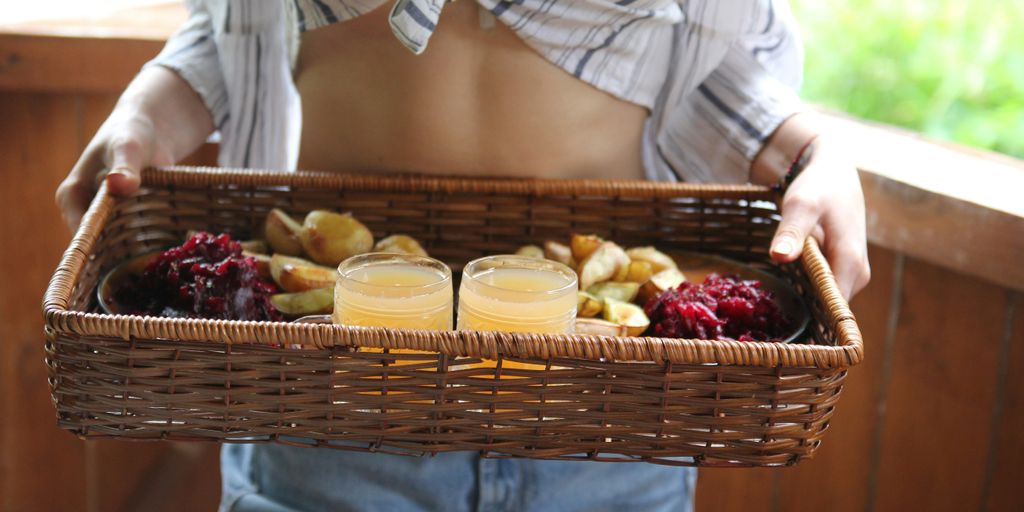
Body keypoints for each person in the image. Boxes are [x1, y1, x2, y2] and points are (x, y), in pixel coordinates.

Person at [56, 1, 871, 510]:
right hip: (332, 415)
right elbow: (230, 30)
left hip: (600, 427)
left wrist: (816, 155)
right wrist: (145, 119)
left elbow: (711, 67)